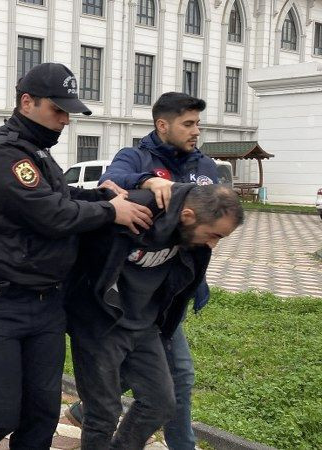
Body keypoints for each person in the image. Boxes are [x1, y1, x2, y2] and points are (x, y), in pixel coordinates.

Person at [0, 62, 154, 450]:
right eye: (59, 110)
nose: (66, 120)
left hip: (47, 305)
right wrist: (111, 210)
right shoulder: (3, 151)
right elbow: (50, 214)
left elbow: (62, 198)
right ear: (27, 102)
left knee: (42, 413)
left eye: (69, 112)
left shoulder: (38, 153)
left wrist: (105, 195)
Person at [65, 92, 218, 450]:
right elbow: (113, 181)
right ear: (162, 125)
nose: (196, 131)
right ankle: (179, 443)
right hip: (121, 296)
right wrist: (148, 181)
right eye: (188, 124)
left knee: (157, 378)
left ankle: (90, 408)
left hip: (168, 291)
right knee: (178, 374)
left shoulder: (205, 167)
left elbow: (213, 215)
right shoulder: (134, 156)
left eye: (198, 124)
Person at [65, 184, 243, 449]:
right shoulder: (135, 210)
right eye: (213, 235)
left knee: (160, 403)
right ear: (188, 216)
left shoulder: (193, 238)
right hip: (100, 324)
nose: (212, 244)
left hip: (146, 325)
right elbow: (71, 220)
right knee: (103, 413)